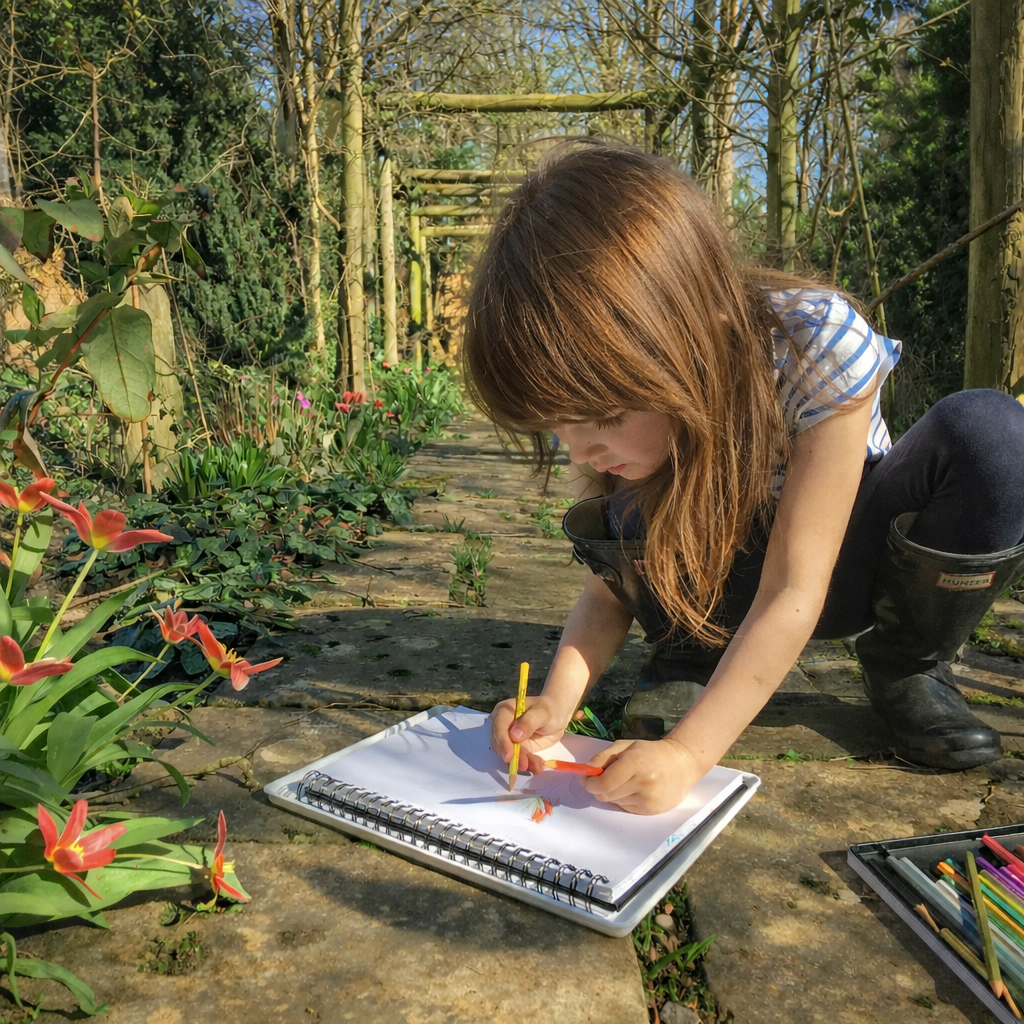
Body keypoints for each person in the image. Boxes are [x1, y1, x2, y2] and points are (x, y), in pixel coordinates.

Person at [462, 138, 1024, 815]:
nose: (580, 453)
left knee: (991, 433)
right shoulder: (618, 443)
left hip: (839, 572)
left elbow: (794, 587)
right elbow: (609, 588)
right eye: (558, 427)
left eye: (605, 415)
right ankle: (690, 655)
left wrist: (688, 755)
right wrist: (555, 703)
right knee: (631, 503)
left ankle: (908, 664)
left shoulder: (816, 344)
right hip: (704, 593)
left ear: (689, 336)